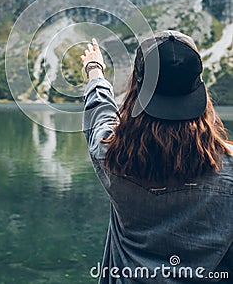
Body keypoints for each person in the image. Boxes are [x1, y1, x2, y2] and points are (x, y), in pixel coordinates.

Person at [80, 31, 233, 284]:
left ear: (137, 89)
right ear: (199, 90)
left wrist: (94, 71)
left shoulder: (112, 156)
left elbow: (100, 113)